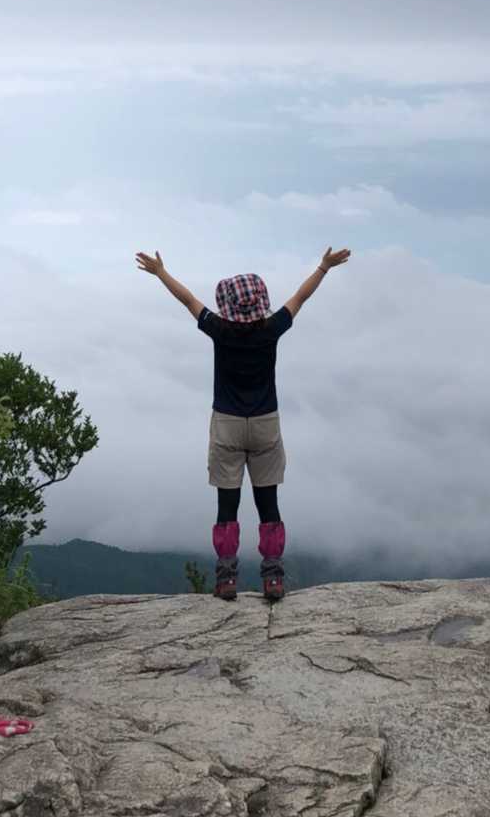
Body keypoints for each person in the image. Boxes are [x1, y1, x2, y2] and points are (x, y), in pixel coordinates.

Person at [135, 245, 351, 602]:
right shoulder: (272, 328)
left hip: (227, 423)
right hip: (266, 423)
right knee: (268, 504)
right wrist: (323, 267)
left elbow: (187, 299)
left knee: (227, 505)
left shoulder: (220, 329)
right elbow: (301, 296)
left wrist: (160, 273)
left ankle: (226, 580)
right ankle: (273, 579)